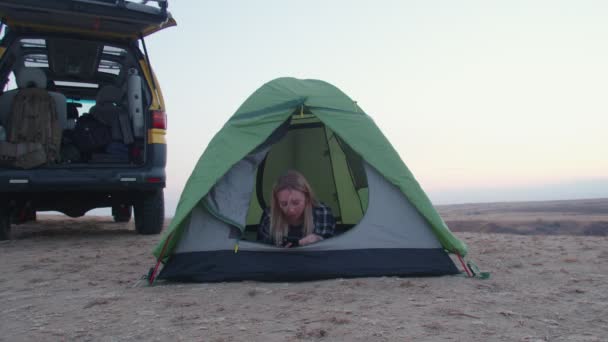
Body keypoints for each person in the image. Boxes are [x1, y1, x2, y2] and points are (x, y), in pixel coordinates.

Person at [257, 170, 335, 247]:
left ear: (307, 198)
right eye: (283, 204)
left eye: (296, 203)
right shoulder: (270, 215)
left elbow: (329, 247)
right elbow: (262, 248)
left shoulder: (322, 212)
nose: (290, 210)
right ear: (277, 202)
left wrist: (318, 240)